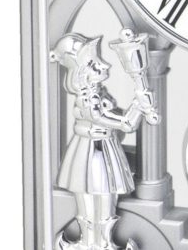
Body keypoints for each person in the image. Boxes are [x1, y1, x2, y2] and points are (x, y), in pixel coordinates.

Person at [50, 32, 157, 250]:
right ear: (81, 73)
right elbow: (124, 124)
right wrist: (139, 106)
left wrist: (139, 105)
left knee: (105, 200)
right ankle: (93, 244)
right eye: (93, 64)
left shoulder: (98, 95)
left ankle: (103, 242)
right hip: (91, 153)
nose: (103, 65)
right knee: (94, 200)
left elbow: (123, 122)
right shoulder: (88, 100)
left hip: (102, 148)